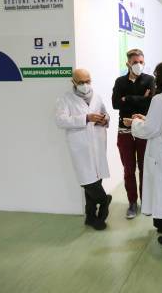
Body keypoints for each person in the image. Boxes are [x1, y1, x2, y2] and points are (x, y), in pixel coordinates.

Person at [123, 62, 162, 247]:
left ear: (161, 77)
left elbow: (151, 130)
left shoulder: (159, 99)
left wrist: (133, 123)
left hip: (161, 155)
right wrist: (146, 119)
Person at [55, 68, 112, 231]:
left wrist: (104, 119)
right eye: (81, 82)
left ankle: (91, 217)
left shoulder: (97, 96)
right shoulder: (65, 99)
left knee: (95, 180)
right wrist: (86, 118)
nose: (85, 85)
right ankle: (105, 200)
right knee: (88, 182)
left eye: (87, 81)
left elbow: (105, 113)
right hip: (80, 148)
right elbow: (60, 121)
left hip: (97, 144)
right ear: (73, 82)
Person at [112, 48, 155, 219]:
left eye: (141, 62)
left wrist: (127, 99)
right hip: (125, 132)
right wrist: (139, 98)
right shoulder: (120, 81)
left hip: (144, 132)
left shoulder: (150, 80)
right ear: (128, 63)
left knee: (145, 168)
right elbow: (116, 104)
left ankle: (146, 200)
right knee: (129, 169)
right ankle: (132, 203)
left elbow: (150, 103)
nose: (138, 65)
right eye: (135, 62)